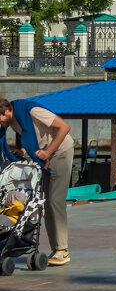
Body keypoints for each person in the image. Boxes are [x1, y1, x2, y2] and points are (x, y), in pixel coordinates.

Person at [0, 97, 74, 266]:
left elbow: (64, 127)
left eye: (0, 119)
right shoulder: (13, 120)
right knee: (46, 204)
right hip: (43, 156)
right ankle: (58, 249)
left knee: (56, 201)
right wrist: (23, 150)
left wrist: (47, 151)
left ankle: (63, 249)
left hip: (60, 153)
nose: (1, 124)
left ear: (6, 112)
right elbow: (32, 135)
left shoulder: (31, 111)